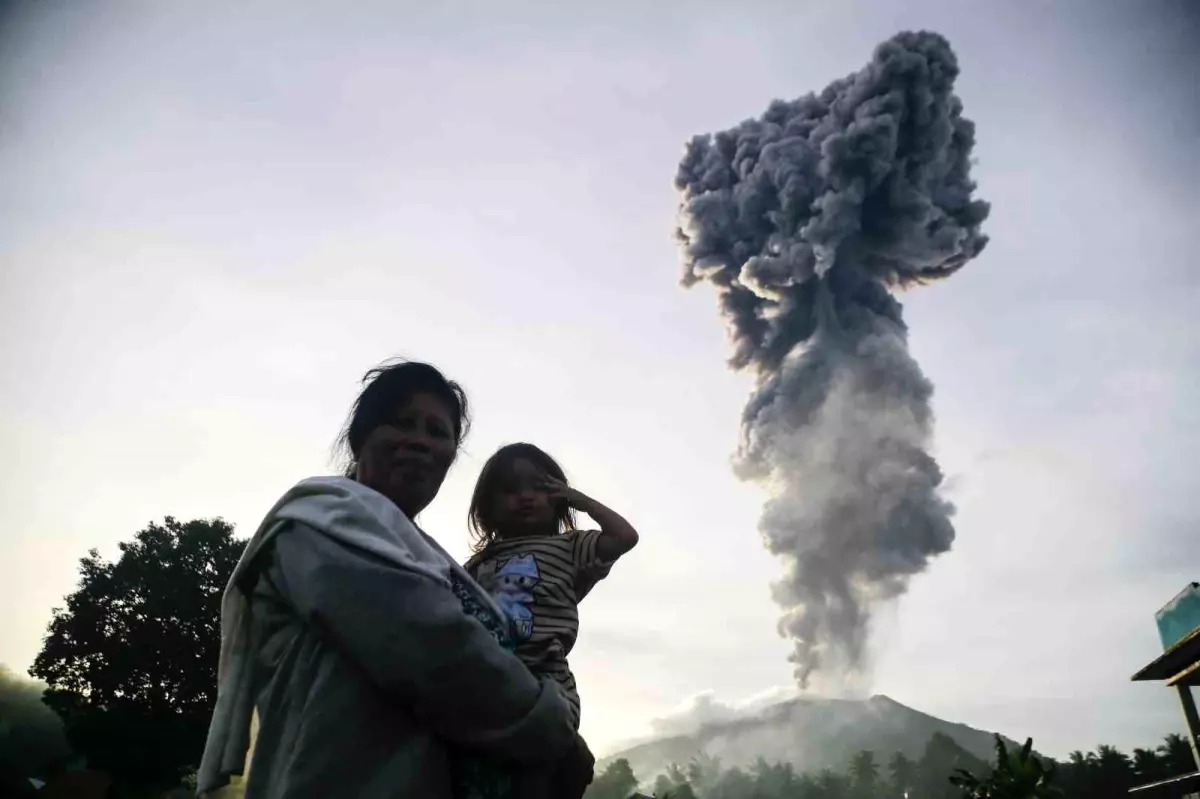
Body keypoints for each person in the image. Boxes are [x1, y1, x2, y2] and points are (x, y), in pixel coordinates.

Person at [197, 361, 593, 799]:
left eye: (438, 433)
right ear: (360, 437)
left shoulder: (435, 560)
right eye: (403, 423)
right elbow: (437, 651)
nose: (421, 442)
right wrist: (554, 732)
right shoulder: (320, 522)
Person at [465, 443, 640, 797]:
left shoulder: (569, 547)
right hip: (489, 682)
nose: (526, 497)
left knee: (537, 776)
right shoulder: (475, 565)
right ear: (487, 510)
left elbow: (624, 537)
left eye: (539, 488)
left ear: (557, 499)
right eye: (511, 490)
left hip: (548, 684)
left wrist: (580, 500)